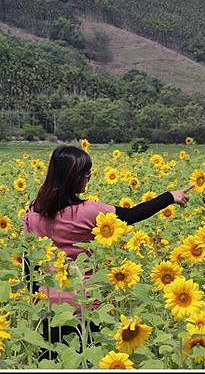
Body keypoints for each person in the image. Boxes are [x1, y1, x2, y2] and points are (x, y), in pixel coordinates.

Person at [22, 145, 193, 358]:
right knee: (85, 358)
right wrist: (170, 197)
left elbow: (28, 262)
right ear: (73, 178)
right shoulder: (89, 211)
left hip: (48, 310)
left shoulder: (33, 212)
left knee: (52, 359)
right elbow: (132, 215)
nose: (88, 178)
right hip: (83, 307)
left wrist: (33, 299)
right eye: (86, 174)